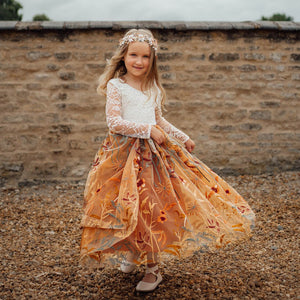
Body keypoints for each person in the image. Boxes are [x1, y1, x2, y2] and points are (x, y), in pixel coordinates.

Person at [80, 29, 255, 292]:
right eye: (133, 55)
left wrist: (182, 137)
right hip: (124, 157)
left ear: (152, 59)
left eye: (145, 57)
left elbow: (158, 120)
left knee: (151, 207)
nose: (139, 62)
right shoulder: (117, 86)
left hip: (154, 157)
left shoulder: (152, 87)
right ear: (123, 57)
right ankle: (132, 253)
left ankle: (153, 270)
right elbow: (114, 122)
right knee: (129, 207)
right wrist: (147, 130)